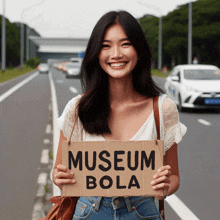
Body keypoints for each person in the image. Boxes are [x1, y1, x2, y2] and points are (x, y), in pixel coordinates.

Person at [53, 11, 187, 220]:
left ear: (139, 50)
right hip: (89, 212)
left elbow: (175, 176)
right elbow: (58, 174)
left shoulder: (162, 109)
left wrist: (165, 186)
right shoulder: (77, 108)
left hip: (143, 211)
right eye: (106, 46)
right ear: (96, 53)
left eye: (125, 44)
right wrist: (61, 177)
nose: (116, 54)